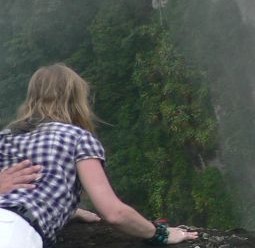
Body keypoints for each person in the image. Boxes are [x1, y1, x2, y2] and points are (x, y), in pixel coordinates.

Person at [0, 64, 199, 247]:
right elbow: (113, 213)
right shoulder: (77, 138)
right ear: (76, 99)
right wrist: (160, 233)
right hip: (14, 232)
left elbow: (27, 191)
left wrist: (68, 210)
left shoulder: (6, 137)